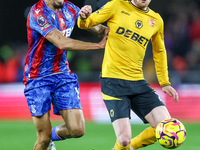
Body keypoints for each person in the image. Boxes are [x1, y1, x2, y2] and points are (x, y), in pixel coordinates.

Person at [77, 0, 179, 150]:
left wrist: (165, 82)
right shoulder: (116, 5)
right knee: (124, 140)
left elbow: (159, 51)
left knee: (166, 127)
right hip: (113, 81)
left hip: (137, 81)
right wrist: (84, 17)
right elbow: (86, 24)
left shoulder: (156, 20)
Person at [23, 0, 109, 150]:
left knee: (78, 130)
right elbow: (61, 42)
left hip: (62, 74)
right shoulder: (38, 13)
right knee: (43, 138)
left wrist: (88, 18)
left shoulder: (69, 8)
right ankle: (47, 138)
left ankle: (52, 135)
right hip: (37, 78)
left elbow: (98, 28)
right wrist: (98, 45)